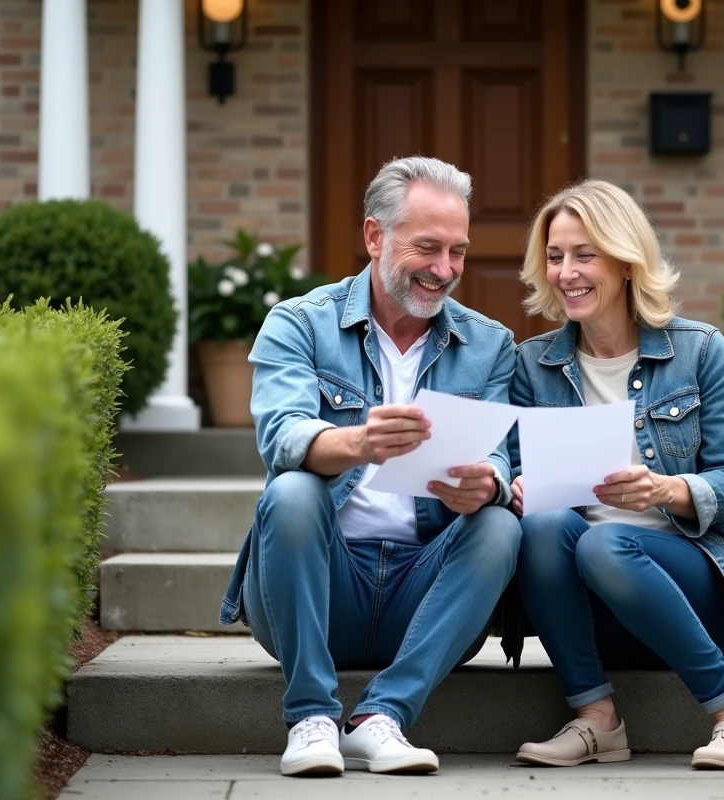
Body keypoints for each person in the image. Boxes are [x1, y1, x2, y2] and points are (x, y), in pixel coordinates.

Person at [219, 156, 522, 778]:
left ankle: (383, 717)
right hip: (318, 594)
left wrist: (485, 483)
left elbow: (500, 454)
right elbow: (282, 436)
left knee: (501, 525)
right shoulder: (300, 322)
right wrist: (361, 444)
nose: (445, 270)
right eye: (428, 247)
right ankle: (310, 717)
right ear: (374, 236)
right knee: (293, 492)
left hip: (424, 594)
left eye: (458, 252)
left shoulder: (490, 344)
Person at [507, 179, 724, 770]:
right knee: (544, 526)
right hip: (585, 610)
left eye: (585, 255)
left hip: (694, 592)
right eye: (555, 257)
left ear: (626, 261)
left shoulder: (700, 351)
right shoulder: (533, 365)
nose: (566, 272)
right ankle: (596, 720)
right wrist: (514, 486)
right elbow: (511, 463)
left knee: (610, 542)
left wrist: (666, 489)